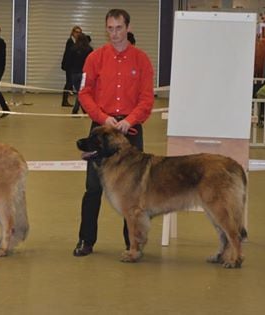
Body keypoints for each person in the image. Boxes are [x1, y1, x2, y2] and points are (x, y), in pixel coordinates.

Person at [73, 9, 154, 257]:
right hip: (101, 128)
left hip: (130, 130)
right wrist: (102, 117)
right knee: (93, 188)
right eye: (110, 28)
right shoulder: (95, 58)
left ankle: (133, 243)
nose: (115, 33)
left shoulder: (142, 60)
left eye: (119, 28)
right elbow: (84, 93)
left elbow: (147, 98)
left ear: (127, 28)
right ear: (105, 29)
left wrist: (129, 119)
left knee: (133, 192)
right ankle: (86, 241)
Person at [65, 33, 93, 114]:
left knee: (79, 92)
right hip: (84, 73)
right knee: (81, 93)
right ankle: (78, 109)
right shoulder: (89, 49)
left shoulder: (73, 48)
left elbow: (69, 61)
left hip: (74, 73)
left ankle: (80, 109)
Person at [60, 25, 82, 107]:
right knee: (69, 83)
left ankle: (65, 100)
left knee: (70, 83)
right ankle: (64, 101)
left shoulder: (76, 42)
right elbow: (69, 54)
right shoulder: (70, 41)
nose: (78, 34)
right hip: (69, 66)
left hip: (73, 66)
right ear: (72, 33)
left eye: (79, 32)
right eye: (76, 32)